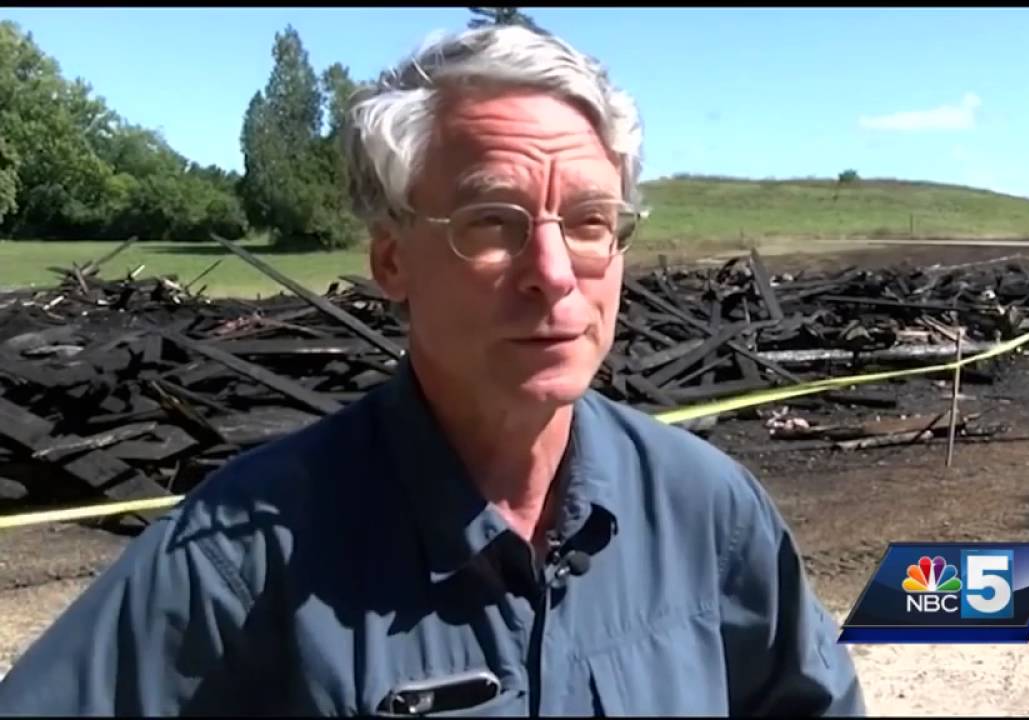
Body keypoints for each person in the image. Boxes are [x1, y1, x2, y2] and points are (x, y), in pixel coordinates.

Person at [0, 24, 866, 716]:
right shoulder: (241, 557)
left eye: (591, 221)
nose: (554, 272)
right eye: (493, 222)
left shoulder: (706, 513)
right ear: (391, 261)